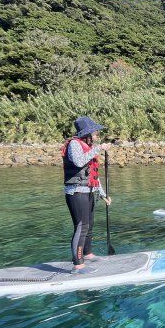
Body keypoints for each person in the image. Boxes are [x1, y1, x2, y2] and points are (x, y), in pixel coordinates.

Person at [62, 116, 112, 273]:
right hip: (76, 192)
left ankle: (87, 253)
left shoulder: (88, 146)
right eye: (96, 133)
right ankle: (78, 263)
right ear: (87, 133)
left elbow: (93, 176)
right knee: (81, 227)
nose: (97, 136)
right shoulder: (75, 145)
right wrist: (99, 148)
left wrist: (103, 194)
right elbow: (78, 162)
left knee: (89, 225)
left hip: (89, 191)